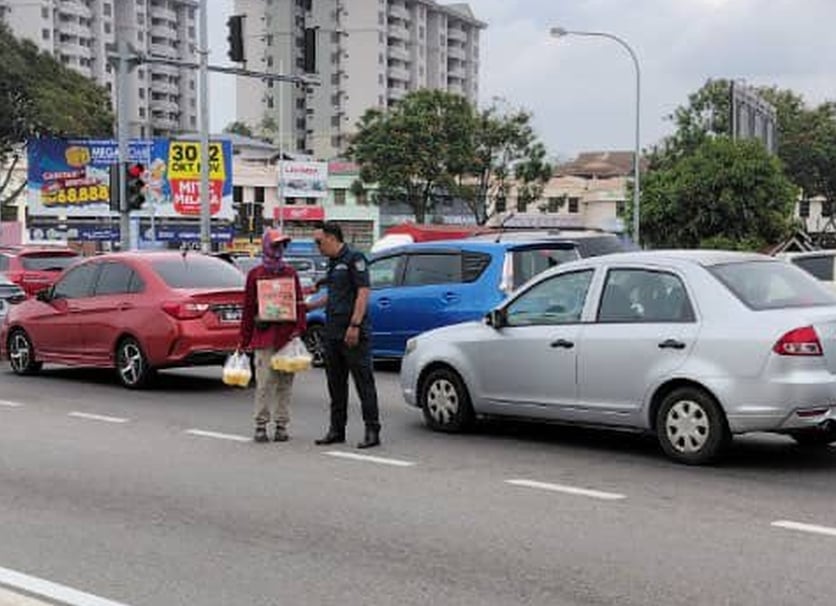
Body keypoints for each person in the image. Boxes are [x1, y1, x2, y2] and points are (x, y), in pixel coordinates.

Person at [307, 221, 381, 449]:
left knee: (363, 382)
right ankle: (337, 429)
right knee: (335, 384)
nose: (317, 247)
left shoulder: (354, 258)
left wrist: (355, 325)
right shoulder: (332, 263)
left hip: (352, 332)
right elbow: (335, 295)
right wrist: (311, 306)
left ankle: (372, 430)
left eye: (319, 242)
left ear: (331, 238)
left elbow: (363, 292)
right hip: (332, 332)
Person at [239, 229, 307, 443]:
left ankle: (281, 425)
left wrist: (299, 330)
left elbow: (299, 304)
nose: (279, 250)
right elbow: (248, 309)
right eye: (275, 245)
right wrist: (244, 340)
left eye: (282, 246)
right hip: (264, 337)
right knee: (264, 383)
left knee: (285, 383)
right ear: (267, 246)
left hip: (287, 337)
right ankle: (261, 424)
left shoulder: (290, 273)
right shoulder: (256, 275)